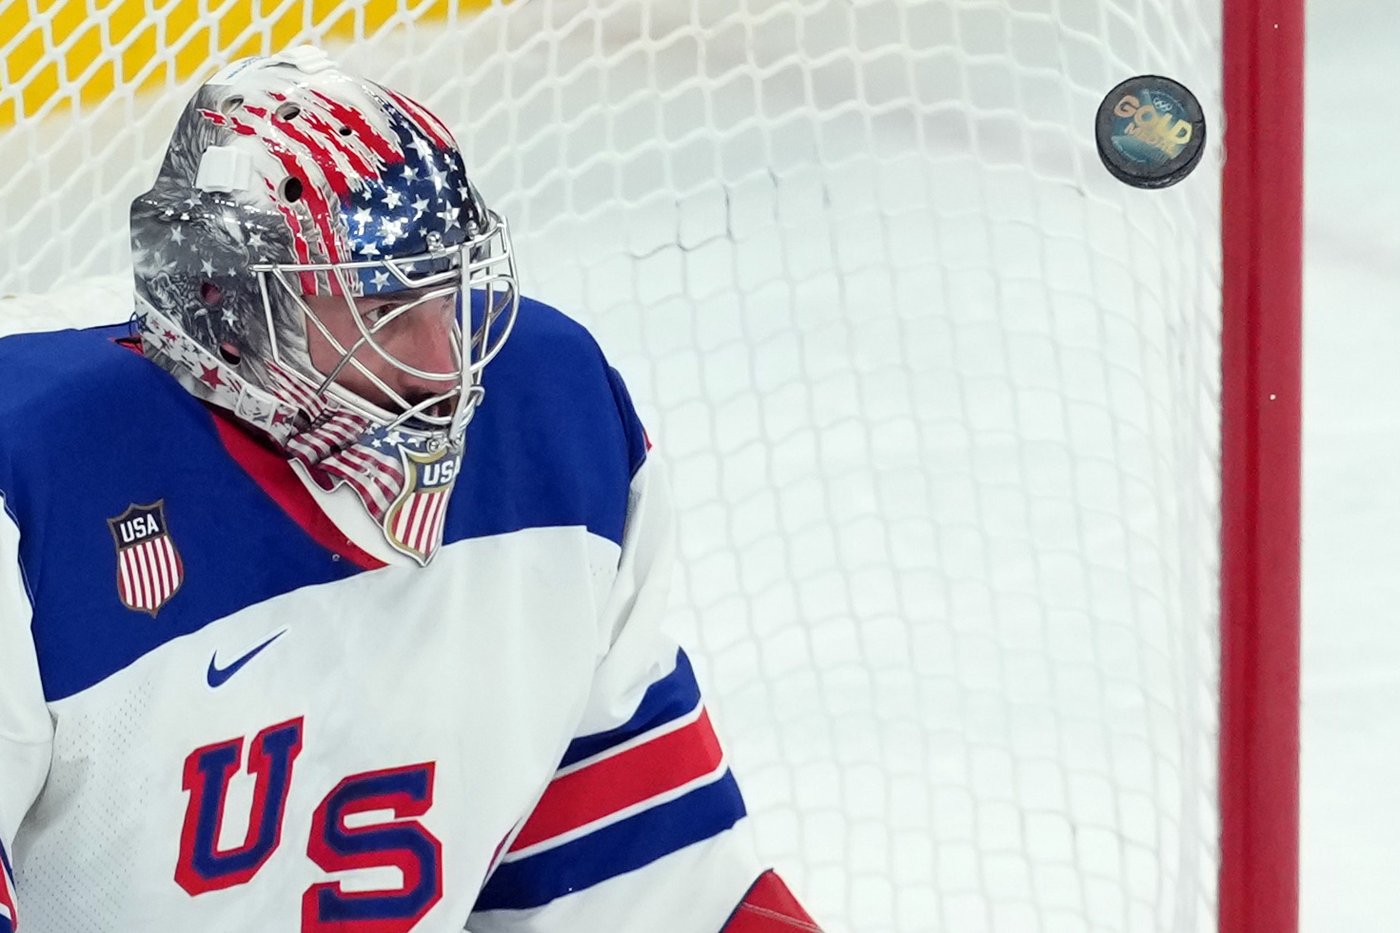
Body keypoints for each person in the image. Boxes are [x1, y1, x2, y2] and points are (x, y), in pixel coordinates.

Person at [0, 47, 821, 932]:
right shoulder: (34, 484)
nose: (444, 363)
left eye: (446, 292)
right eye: (383, 309)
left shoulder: (547, 431)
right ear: (223, 301)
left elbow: (648, 884)